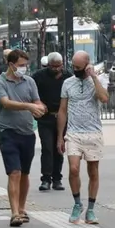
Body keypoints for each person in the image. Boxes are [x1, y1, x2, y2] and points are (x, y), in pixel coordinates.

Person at [0, 49, 45, 227]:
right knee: (14, 172)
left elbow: (37, 101)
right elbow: (5, 103)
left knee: (25, 174)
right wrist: (29, 106)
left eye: (26, 65)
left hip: (28, 133)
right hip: (8, 133)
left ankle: (22, 208)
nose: (24, 68)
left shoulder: (29, 81)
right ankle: (14, 212)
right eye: (21, 65)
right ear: (11, 65)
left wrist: (39, 107)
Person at [57, 51, 109, 225]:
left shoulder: (97, 81)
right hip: (73, 133)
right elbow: (62, 111)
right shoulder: (67, 83)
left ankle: (91, 209)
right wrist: (60, 137)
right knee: (73, 169)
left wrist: (93, 77)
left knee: (93, 171)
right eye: (73, 66)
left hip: (93, 133)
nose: (75, 69)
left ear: (88, 65)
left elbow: (104, 98)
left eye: (78, 67)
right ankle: (77, 204)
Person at [32, 52, 71, 192]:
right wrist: (38, 103)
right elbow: (31, 92)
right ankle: (46, 178)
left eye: (58, 66)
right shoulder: (38, 76)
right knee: (47, 147)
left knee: (58, 147)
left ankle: (57, 179)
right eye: (52, 66)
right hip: (45, 117)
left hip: (62, 117)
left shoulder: (68, 76)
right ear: (48, 65)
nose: (55, 69)